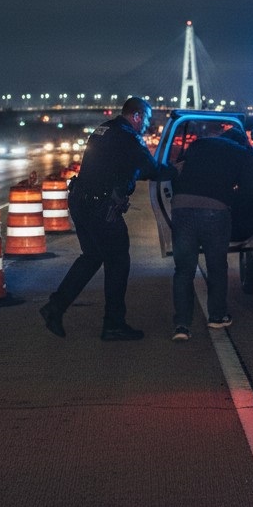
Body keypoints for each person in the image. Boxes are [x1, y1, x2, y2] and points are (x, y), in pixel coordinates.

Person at [39, 97, 176, 340]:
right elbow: (151, 169)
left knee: (92, 256)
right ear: (136, 116)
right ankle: (113, 323)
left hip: (81, 200)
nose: (146, 124)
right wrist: (177, 170)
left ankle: (55, 307)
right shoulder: (127, 136)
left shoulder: (103, 129)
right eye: (146, 118)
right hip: (100, 206)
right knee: (118, 261)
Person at [169, 125, 253, 342]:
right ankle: (217, 316)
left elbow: (176, 172)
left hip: (181, 208)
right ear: (242, 141)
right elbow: (249, 190)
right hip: (215, 211)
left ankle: (182, 325)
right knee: (216, 266)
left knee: (183, 269)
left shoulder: (198, 145)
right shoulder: (243, 152)